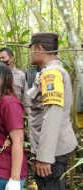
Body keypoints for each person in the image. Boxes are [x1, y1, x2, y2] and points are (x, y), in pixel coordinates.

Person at [26, 32, 78, 190]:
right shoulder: (47, 72)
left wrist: (44, 157)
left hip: (52, 152)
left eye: (31, 48)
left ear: (39, 48)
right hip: (51, 147)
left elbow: (53, 116)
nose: (30, 53)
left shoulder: (52, 74)